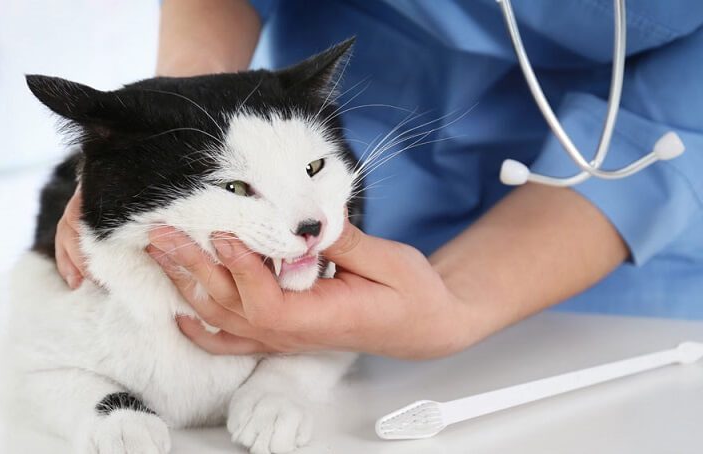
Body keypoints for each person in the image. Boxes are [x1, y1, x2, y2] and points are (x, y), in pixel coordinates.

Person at [54, 0, 703, 359]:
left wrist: (458, 302)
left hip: (615, 288)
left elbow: (671, 126)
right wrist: (178, 126)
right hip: (328, 217)